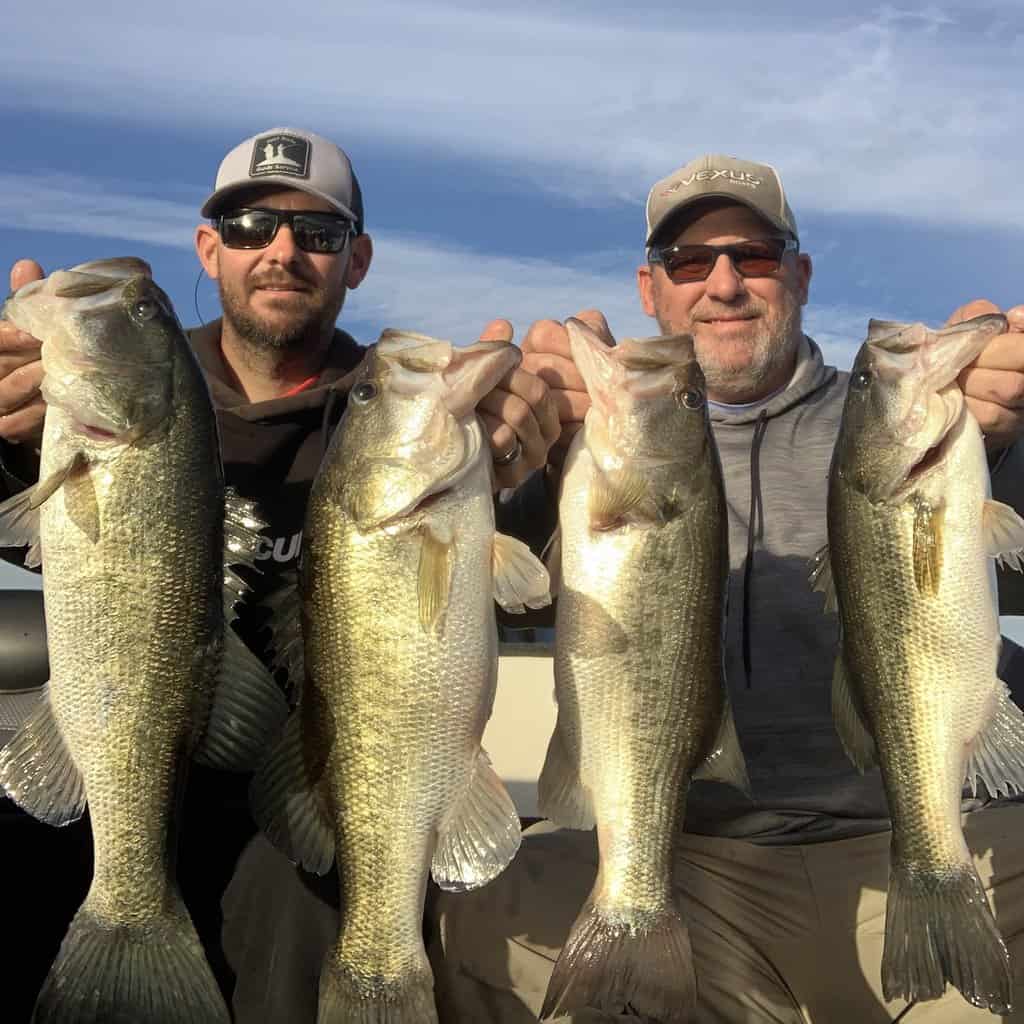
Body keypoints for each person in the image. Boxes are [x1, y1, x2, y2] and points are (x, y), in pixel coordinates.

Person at [427, 154, 1024, 1023]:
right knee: (471, 907)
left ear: (801, 275)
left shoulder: (932, 430)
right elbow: (438, 600)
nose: (723, 283)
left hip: (900, 839)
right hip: (685, 862)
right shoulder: (581, 448)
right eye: (687, 262)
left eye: (755, 256)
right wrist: (503, 451)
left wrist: (1004, 438)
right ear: (650, 289)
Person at [0, 126, 560, 1019]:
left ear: (359, 260)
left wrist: (531, 468)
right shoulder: (128, 384)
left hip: (316, 779)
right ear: (209, 247)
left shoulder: (392, 412)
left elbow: (516, 559)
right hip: (128, 746)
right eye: (254, 225)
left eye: (319, 234)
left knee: (305, 904)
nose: (283, 252)